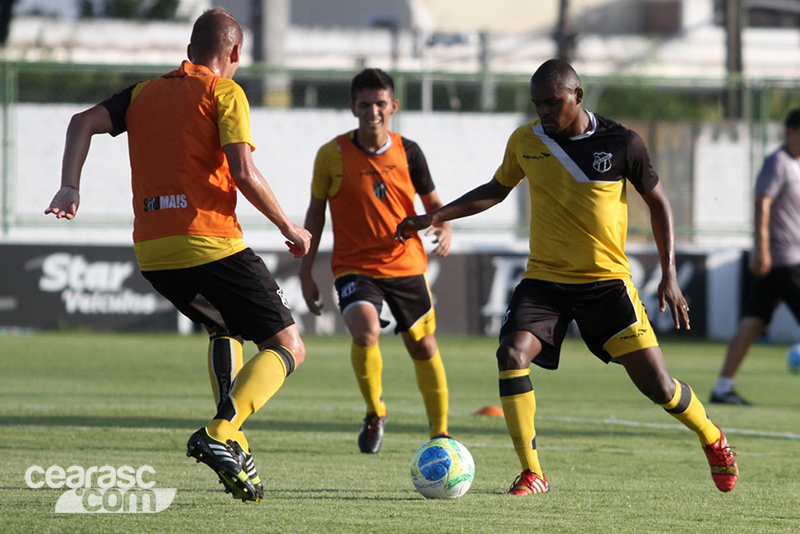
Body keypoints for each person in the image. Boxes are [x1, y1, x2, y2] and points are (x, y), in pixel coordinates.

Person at [396, 59, 738, 495]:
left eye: (553, 102)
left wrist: (668, 272)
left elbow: (659, 203)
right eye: (537, 103)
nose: (544, 112)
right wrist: (436, 215)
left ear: (577, 95)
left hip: (607, 284)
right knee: (511, 354)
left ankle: (712, 436)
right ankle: (532, 471)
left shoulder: (622, 142)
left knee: (659, 386)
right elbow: (496, 189)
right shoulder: (525, 141)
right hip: (545, 281)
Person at [44, 8, 311, 502]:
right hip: (210, 240)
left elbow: (80, 122)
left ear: (189, 50)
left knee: (223, 328)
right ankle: (219, 434)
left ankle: (238, 449)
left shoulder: (143, 94)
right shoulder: (224, 92)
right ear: (234, 53)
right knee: (289, 345)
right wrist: (287, 225)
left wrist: (69, 186)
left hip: (153, 251)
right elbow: (244, 172)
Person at [299, 68, 451, 453]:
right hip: (355, 267)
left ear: (393, 106)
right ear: (352, 107)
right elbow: (315, 216)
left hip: (406, 266)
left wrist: (445, 227)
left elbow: (435, 206)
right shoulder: (330, 155)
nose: (373, 112)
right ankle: (375, 412)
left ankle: (441, 434)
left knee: (424, 347)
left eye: (380, 104)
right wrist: (305, 270)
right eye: (364, 104)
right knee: (365, 330)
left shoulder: (409, 152)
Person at [710, 109, 800, 405]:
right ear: (790, 132)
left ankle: (723, 386)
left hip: (782, 262)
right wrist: (761, 248)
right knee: (752, 323)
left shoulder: (796, 165)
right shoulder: (778, 162)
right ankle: (723, 386)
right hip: (784, 260)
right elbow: (763, 203)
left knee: (752, 322)